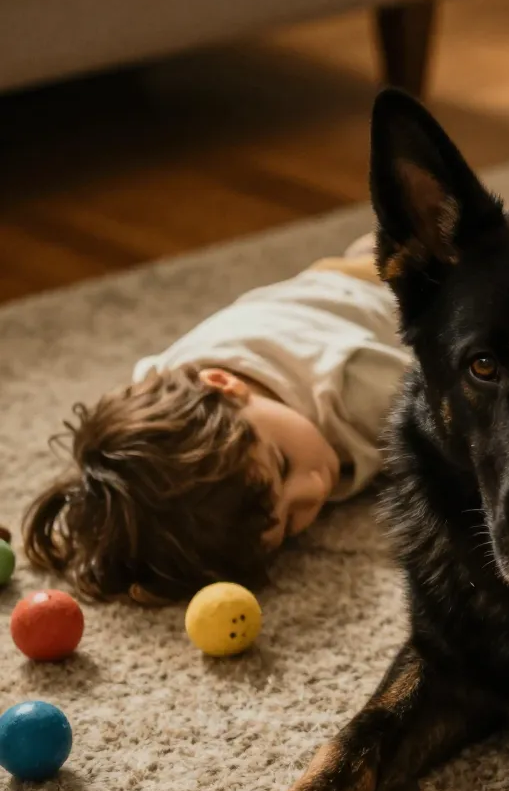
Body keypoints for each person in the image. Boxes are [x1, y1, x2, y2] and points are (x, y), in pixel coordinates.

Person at [23, 233, 408, 606]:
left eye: (283, 463)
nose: (312, 489)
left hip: (377, 291)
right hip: (313, 294)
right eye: (289, 523)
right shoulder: (173, 399)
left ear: (225, 384)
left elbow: (458, 410)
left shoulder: (361, 385)